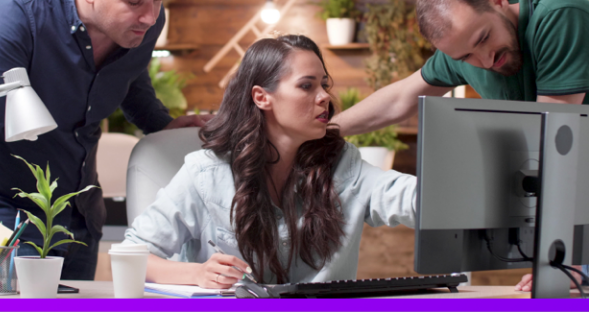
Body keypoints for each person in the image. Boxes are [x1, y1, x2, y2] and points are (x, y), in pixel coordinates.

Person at [0, 0, 210, 281]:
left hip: (80, 218)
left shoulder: (143, 20)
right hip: (4, 220)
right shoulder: (13, 11)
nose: (151, 17)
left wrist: (162, 125)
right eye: (135, 1)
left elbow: (129, 76)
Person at [332, 0, 589, 290]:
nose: (485, 60)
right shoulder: (466, 52)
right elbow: (400, 99)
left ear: (497, 0)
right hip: (581, 238)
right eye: (465, 56)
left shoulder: (561, 17)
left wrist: (564, 254)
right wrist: (325, 131)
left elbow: (553, 142)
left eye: (483, 38)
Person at [123, 34, 418, 287]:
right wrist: (197, 273)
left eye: (324, 85)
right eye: (307, 86)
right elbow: (130, 256)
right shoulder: (206, 172)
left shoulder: (344, 164)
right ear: (262, 97)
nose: (324, 97)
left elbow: (413, 198)